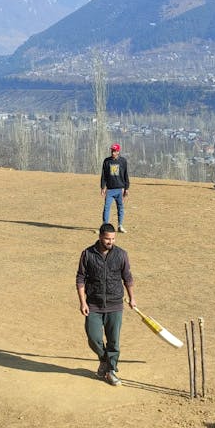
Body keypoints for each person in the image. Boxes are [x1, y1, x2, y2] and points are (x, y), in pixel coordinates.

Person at [76, 223, 136, 386]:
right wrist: (83, 302)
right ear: (100, 237)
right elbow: (80, 279)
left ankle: (110, 371)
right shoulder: (87, 254)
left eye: (113, 239)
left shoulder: (121, 254)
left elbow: (128, 278)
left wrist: (132, 298)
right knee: (93, 338)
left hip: (115, 304)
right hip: (93, 304)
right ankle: (104, 360)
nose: (111, 242)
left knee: (113, 341)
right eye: (108, 239)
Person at [100, 143, 130, 232]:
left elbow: (125, 175)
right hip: (109, 190)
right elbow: (104, 175)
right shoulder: (106, 161)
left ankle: (120, 226)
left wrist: (126, 188)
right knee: (106, 207)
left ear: (118, 151)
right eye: (112, 151)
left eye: (114, 151)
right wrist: (102, 187)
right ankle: (105, 226)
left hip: (120, 189)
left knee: (120, 208)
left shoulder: (123, 161)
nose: (113, 153)